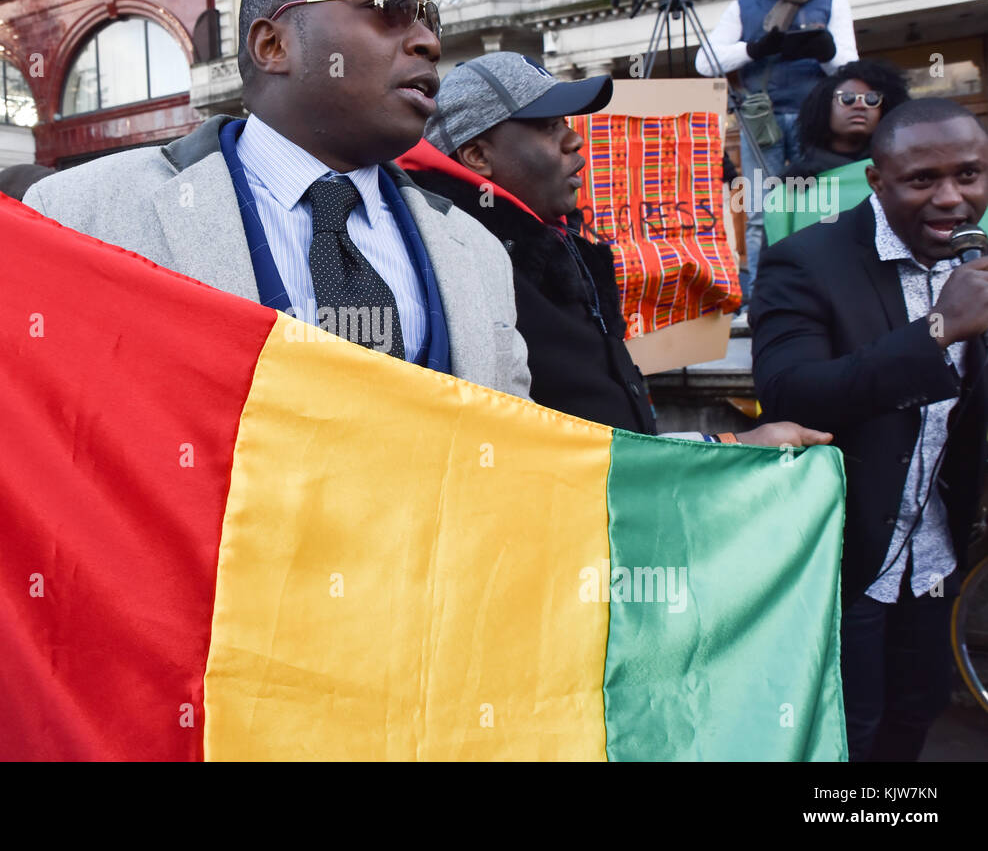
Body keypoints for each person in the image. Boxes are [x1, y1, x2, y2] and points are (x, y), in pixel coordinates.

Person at [25, 0, 530, 397]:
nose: (429, 43)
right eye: (389, 6)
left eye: (429, 19)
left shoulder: (478, 252)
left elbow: (514, 443)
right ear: (273, 45)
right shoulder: (79, 216)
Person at [399, 50, 830, 448]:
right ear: (477, 154)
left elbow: (609, 443)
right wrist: (730, 447)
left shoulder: (553, 245)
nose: (575, 142)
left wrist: (728, 445)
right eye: (550, 127)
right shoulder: (459, 267)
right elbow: (554, 460)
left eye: (567, 124)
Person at [751, 98, 988, 760]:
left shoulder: (979, 260)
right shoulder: (806, 259)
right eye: (922, 180)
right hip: (843, 557)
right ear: (877, 180)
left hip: (935, 559)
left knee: (915, 716)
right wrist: (939, 330)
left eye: (970, 175)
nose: (951, 198)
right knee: (843, 731)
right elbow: (793, 393)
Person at [696, 0, 858, 303]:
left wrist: (827, 52)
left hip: (814, 121)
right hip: (760, 122)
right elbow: (704, 63)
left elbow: (851, 69)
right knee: (758, 211)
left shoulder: (834, 1)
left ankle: (826, 290)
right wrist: (753, 49)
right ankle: (761, 297)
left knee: (818, 205)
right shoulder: (744, 7)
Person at [784, 59, 910, 180]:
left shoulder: (902, 170)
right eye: (847, 98)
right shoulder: (797, 180)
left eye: (871, 99)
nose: (860, 106)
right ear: (824, 107)